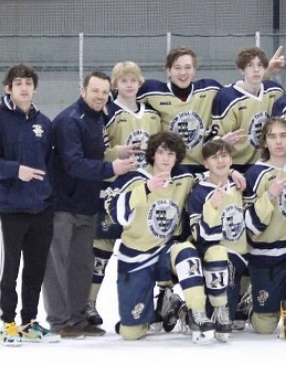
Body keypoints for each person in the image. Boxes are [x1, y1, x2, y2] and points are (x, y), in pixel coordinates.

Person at [44, 71, 138, 337]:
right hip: (63, 204)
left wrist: (116, 153)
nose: (100, 96)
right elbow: (73, 163)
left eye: (104, 91)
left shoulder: (98, 117)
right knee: (58, 265)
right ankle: (60, 321)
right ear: (82, 90)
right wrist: (112, 166)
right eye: (94, 90)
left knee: (81, 264)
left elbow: (92, 154)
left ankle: (77, 318)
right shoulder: (69, 121)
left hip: (86, 205)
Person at [106, 132, 217, 344]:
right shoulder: (133, 178)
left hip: (168, 252)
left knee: (186, 252)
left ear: (178, 157)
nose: (166, 158)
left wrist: (231, 171)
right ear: (152, 155)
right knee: (132, 332)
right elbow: (116, 214)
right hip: (137, 257)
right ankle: (169, 305)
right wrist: (146, 190)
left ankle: (196, 313)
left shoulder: (183, 178)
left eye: (171, 154)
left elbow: (211, 177)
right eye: (161, 152)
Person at [0, 64, 59, 345]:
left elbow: (51, 165)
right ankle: (8, 322)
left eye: (28, 82)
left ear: (34, 87)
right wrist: (18, 170)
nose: (24, 87)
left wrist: (49, 196)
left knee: (35, 269)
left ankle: (29, 321)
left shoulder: (44, 122)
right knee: (10, 269)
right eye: (18, 83)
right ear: (8, 88)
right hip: (11, 208)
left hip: (41, 207)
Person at [86, 60, 163, 328]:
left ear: (139, 83)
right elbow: (98, 151)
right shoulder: (107, 113)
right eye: (123, 80)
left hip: (144, 191)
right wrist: (115, 156)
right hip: (112, 189)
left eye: (133, 80)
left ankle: (152, 304)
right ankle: (89, 302)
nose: (129, 84)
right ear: (114, 85)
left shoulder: (153, 115)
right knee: (102, 248)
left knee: (146, 248)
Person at [243, 118, 286, 333]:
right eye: (272, 136)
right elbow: (251, 226)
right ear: (264, 143)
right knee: (266, 327)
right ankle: (251, 303)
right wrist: (270, 195)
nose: (278, 141)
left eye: (283, 135)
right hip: (267, 252)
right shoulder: (256, 174)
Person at [188, 140, 247, 342]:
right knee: (211, 315)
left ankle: (242, 297)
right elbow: (200, 235)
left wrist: (233, 173)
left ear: (231, 159)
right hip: (212, 258)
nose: (220, 161)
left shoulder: (239, 185)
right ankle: (187, 307)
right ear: (205, 163)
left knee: (225, 316)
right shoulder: (199, 193)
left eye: (224, 156)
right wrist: (212, 208)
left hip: (237, 256)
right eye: (214, 157)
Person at [138, 46, 231, 172]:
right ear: (168, 71)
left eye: (187, 67)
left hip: (202, 166)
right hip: (171, 167)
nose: (183, 73)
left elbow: (243, 92)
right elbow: (122, 97)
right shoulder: (152, 90)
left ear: (194, 70)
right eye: (177, 68)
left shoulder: (209, 88)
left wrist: (268, 72)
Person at [212, 46, 286, 170]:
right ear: (242, 70)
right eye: (250, 66)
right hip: (236, 168)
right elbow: (214, 139)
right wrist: (221, 143)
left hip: (268, 165)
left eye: (260, 65)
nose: (256, 70)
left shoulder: (275, 91)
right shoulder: (227, 98)